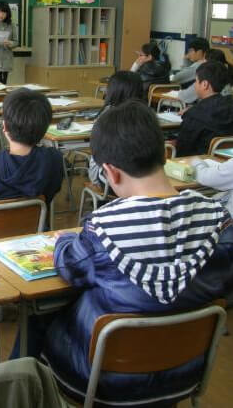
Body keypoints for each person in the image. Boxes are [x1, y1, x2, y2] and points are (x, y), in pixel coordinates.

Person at [36, 101, 233, 405]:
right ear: (165, 153)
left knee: (40, 313)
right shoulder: (220, 223)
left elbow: (68, 266)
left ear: (111, 173)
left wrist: (63, 241)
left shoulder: (103, 230)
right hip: (184, 373)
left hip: (103, 380)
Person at [88, 71, 143, 186]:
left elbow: (96, 151)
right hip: (141, 177)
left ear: (113, 91)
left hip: (111, 180)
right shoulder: (146, 115)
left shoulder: (108, 116)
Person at [176, 61, 233, 157]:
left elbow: (183, 150)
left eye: (196, 81)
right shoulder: (229, 104)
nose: (195, 85)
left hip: (199, 163)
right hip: (226, 162)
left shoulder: (194, 114)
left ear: (204, 84)